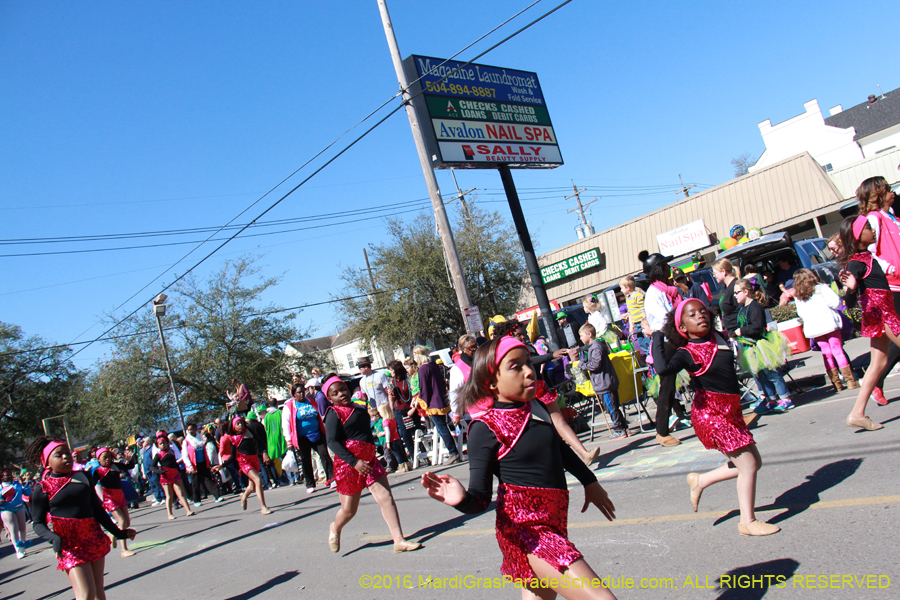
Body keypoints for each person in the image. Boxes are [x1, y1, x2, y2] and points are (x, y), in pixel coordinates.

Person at [420, 336, 618, 598]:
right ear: (491, 381)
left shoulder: (533, 409)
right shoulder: (484, 428)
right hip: (526, 531)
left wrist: (589, 481)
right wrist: (461, 500)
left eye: (528, 363)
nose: (529, 371)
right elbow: (479, 500)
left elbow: (558, 449)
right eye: (515, 366)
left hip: (555, 521)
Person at [652, 300, 780, 537]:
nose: (700, 316)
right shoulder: (686, 353)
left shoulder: (718, 337)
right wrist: (657, 337)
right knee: (748, 465)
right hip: (711, 414)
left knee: (754, 463)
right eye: (692, 315)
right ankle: (747, 522)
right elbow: (663, 369)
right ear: (682, 326)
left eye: (702, 312)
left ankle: (700, 481)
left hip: (732, 413)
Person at [321, 374, 421, 554]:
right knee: (349, 511)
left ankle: (399, 540)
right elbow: (332, 442)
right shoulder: (333, 414)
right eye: (335, 393)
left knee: (386, 498)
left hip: (370, 461)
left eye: (343, 389)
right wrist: (354, 462)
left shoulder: (360, 409)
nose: (341, 394)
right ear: (330, 399)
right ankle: (335, 528)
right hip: (349, 465)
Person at [25, 437, 136, 600]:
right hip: (69, 545)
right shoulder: (42, 488)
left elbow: (98, 511)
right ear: (47, 463)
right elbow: (38, 523)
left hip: (93, 538)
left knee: (98, 592)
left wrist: (118, 533)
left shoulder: (83, 477)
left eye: (67, 453)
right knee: (85, 595)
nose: (65, 457)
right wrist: (53, 539)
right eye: (58, 455)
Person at [838, 215, 900, 431]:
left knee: (878, 364)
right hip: (883, 315)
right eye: (867, 227)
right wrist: (852, 288)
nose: (872, 229)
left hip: (880, 315)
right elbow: (848, 301)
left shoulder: (866, 257)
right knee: (878, 363)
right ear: (857, 236)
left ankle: (857, 413)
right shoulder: (857, 262)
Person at [858, 176, 900, 406]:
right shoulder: (873, 219)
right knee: (893, 340)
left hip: (898, 282)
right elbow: (869, 252)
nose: (892, 192)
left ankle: (875, 382)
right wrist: (888, 267)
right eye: (888, 189)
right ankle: (874, 383)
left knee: (888, 345)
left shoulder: (890, 216)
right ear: (877, 194)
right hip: (890, 286)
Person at [642, 251, 688, 446]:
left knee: (707, 370)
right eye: (666, 265)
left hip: (682, 335)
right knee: (667, 387)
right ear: (659, 269)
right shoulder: (654, 292)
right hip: (667, 339)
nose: (670, 268)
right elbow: (664, 319)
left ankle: (728, 413)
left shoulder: (669, 288)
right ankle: (661, 432)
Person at [732, 278, 794, 413]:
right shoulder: (742, 309)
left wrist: (741, 331)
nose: (735, 295)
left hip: (760, 345)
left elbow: (757, 327)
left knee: (772, 373)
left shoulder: (756, 307)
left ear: (746, 292)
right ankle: (771, 399)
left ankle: (786, 398)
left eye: (737, 292)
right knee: (761, 375)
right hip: (749, 347)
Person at [792, 268, 858, 392]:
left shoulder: (798, 296)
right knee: (837, 351)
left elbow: (800, 313)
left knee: (826, 354)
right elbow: (836, 303)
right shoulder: (821, 288)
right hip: (829, 324)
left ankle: (836, 383)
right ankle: (850, 381)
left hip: (814, 328)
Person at [578, 323, 628, 440]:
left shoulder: (595, 347)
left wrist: (583, 365)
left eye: (581, 336)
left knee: (611, 407)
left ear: (589, 334)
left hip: (603, 383)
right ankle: (623, 427)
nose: (580, 338)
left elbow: (595, 364)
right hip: (605, 382)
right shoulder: (595, 347)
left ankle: (619, 429)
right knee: (613, 406)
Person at [412, 345, 461, 465]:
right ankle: (453, 451)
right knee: (443, 427)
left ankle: (453, 452)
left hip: (433, 402)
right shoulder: (433, 365)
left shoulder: (423, 369)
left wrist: (421, 402)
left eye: (414, 355)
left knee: (442, 428)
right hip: (441, 399)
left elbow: (424, 388)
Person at [283, 383, 334, 493]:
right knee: (306, 460)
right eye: (298, 393)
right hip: (302, 437)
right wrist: (288, 441)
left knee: (324, 454)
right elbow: (286, 424)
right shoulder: (289, 406)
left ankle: (331, 478)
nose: (301, 394)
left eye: (302, 392)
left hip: (316, 433)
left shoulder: (310, 401)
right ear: (294, 395)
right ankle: (310, 484)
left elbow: (318, 414)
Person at [218, 417, 273, 513]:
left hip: (255, 460)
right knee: (258, 480)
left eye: (241, 422)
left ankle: (243, 497)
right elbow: (233, 456)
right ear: (233, 427)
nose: (241, 425)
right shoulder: (233, 439)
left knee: (251, 487)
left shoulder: (250, 431)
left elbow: (261, 442)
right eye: (238, 423)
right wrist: (222, 465)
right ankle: (263, 507)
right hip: (244, 462)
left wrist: (264, 453)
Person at [90, 448, 137, 558]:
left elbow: (130, 466)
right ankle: (124, 550)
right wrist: (88, 473)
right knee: (121, 521)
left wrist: (130, 460)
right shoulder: (98, 471)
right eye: (104, 458)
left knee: (127, 523)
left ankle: (112, 533)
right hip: (109, 498)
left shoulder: (116, 466)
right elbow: (91, 482)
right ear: (98, 459)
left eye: (109, 457)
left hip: (120, 496)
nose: (107, 460)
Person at [151, 433, 195, 520]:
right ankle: (169, 514)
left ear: (167, 443)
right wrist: (159, 472)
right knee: (169, 495)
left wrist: (181, 471)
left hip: (175, 474)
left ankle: (188, 510)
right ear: (158, 445)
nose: (163, 445)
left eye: (164, 443)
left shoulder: (171, 452)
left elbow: (174, 463)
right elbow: (152, 466)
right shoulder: (158, 454)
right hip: (165, 475)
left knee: (181, 493)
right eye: (160, 444)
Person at [388, 359, 420, 468]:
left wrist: (414, 407)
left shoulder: (408, 379)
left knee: (417, 431)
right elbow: (392, 398)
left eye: (391, 370)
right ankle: (413, 457)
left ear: (397, 370)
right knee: (405, 435)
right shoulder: (393, 382)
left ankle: (424, 454)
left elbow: (415, 392)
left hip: (411, 408)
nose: (390, 373)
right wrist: (391, 396)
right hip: (399, 410)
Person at [181, 422, 222, 505]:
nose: (190, 431)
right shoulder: (186, 441)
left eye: (192, 429)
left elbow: (205, 451)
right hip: (194, 465)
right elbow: (185, 455)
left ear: (195, 429)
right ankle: (197, 500)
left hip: (203, 463)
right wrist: (189, 466)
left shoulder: (200, 438)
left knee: (208, 479)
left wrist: (208, 462)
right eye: (189, 430)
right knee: (195, 483)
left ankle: (217, 496)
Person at [1, 468, 30, 559]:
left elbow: (28, 493)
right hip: (6, 509)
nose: (9, 476)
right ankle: (18, 549)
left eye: (10, 474)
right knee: (13, 528)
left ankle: (22, 545)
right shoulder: (0, 486)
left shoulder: (16, 484)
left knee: (22, 528)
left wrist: (24, 484)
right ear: (2, 477)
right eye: (7, 475)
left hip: (19, 507)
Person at [621, 275, 650, 356]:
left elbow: (643, 309)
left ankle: (651, 354)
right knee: (640, 342)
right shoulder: (628, 298)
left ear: (627, 288)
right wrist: (631, 325)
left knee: (648, 340)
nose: (621, 290)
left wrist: (645, 321)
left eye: (622, 288)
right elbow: (630, 312)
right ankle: (648, 354)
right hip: (636, 324)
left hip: (641, 322)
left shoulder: (637, 296)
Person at [713, 257, 740, 335]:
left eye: (715, 273)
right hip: (732, 332)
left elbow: (741, 310)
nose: (714, 276)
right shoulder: (726, 288)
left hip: (739, 331)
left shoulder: (735, 287)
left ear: (723, 271)